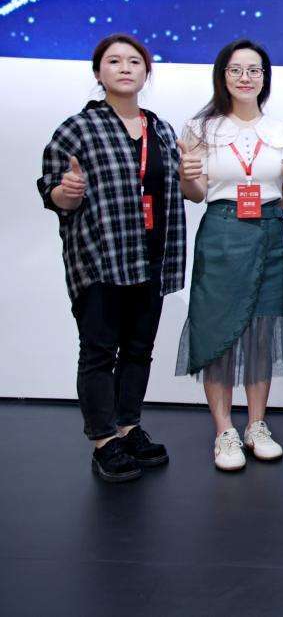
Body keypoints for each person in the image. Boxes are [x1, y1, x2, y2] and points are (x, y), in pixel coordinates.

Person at [37, 33, 187, 483]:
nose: (125, 68)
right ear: (98, 72)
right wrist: (66, 192)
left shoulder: (161, 129)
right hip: (101, 259)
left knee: (139, 350)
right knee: (100, 352)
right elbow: (54, 192)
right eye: (114, 61)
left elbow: (174, 187)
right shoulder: (77, 129)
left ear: (146, 72)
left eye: (134, 61)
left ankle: (127, 426)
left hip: (152, 256)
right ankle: (104, 441)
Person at [176, 39, 283, 471]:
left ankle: (256, 425)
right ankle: (224, 430)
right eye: (236, 70)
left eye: (254, 70)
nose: (245, 78)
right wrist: (186, 175)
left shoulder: (281, 131)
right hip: (222, 231)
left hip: (268, 231)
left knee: (262, 329)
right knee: (217, 328)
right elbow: (196, 194)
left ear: (265, 77)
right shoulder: (201, 129)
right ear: (223, 76)